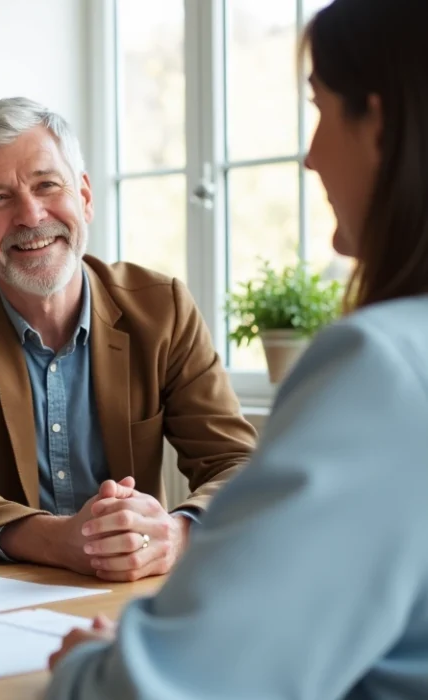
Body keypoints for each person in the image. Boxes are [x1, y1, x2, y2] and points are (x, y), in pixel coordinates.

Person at [47, 0, 428, 696]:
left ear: (380, 123)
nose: (310, 154)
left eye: (319, 108)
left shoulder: (385, 366)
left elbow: (175, 687)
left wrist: (90, 666)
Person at [0, 96, 258, 581]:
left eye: (47, 185)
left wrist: (177, 534)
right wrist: (62, 540)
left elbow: (236, 462)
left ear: (84, 196)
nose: (31, 215)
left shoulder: (163, 307)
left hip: (136, 587)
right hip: (1, 589)